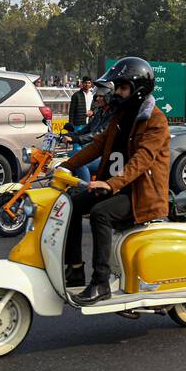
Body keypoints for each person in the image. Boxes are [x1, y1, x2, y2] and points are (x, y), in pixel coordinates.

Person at [59, 57, 170, 304]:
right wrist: (66, 165)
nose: (117, 92)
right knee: (70, 203)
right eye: (117, 87)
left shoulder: (155, 120)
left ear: (137, 89)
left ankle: (100, 283)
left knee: (100, 213)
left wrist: (111, 184)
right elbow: (99, 145)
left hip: (140, 195)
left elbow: (142, 159)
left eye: (122, 88)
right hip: (119, 188)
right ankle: (75, 267)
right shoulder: (121, 115)